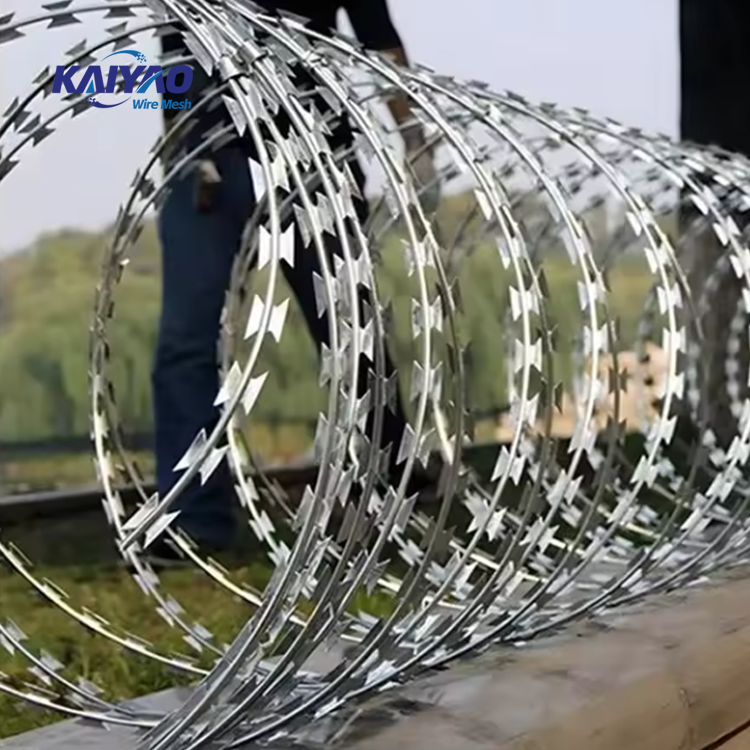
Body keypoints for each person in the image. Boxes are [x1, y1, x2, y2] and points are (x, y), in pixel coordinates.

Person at [150, 0, 440, 560]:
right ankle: (192, 520)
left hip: (312, 150)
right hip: (212, 156)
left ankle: (382, 482)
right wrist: (180, 140)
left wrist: (413, 135)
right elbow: (173, 48)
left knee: (347, 328)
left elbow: (378, 36)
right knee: (187, 337)